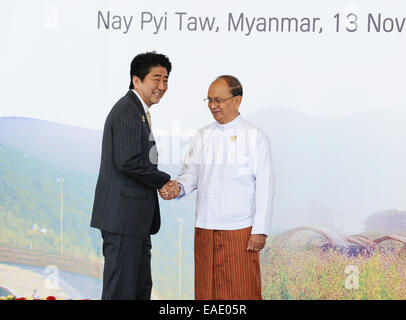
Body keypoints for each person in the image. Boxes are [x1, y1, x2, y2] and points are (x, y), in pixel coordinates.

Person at [160, 75, 275, 300]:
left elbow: (265, 186)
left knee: (243, 292)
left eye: (219, 100)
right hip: (205, 226)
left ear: (237, 101)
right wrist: (178, 188)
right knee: (206, 292)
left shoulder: (255, 136)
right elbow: (191, 174)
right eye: (210, 100)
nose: (213, 106)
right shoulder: (203, 135)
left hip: (241, 230)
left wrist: (260, 230)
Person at [91, 51, 179, 300]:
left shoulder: (138, 111)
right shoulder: (127, 110)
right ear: (136, 80)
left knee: (139, 291)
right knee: (121, 292)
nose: (162, 86)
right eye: (156, 79)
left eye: (166, 80)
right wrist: (164, 180)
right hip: (123, 219)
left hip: (135, 222)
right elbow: (128, 162)